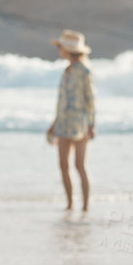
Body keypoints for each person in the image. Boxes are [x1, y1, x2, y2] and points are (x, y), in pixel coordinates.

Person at [46, 30, 97, 211]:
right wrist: (54, 124)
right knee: (63, 165)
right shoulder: (66, 71)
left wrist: (91, 125)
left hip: (80, 124)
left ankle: (86, 206)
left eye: (61, 47)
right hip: (63, 123)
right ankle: (70, 203)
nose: (59, 50)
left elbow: (91, 99)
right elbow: (62, 102)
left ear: (68, 49)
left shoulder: (85, 71)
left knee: (80, 165)